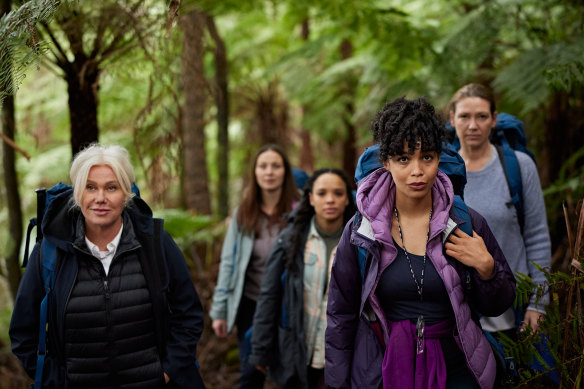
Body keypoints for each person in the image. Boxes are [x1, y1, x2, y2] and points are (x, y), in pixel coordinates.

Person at [325, 96, 516, 389]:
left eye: (426, 156)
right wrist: (337, 384)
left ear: (438, 158)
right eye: (404, 159)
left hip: (458, 369)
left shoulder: (465, 223)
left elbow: (497, 305)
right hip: (384, 369)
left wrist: (487, 269)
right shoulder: (361, 231)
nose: (417, 170)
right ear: (386, 162)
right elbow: (341, 315)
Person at [9, 144, 205, 388]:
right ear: (78, 194)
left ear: (126, 193)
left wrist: (166, 371)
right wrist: (57, 381)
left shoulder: (155, 243)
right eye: (90, 187)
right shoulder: (50, 252)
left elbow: (189, 315)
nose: (100, 198)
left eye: (111, 187)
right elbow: (22, 333)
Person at [448, 84, 552, 335]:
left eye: (482, 116)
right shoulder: (441, 173)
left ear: (494, 120)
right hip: (461, 316)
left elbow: (537, 236)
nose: (473, 125)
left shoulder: (519, 166)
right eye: (464, 116)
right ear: (452, 119)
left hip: (515, 310)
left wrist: (539, 305)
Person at [249, 169, 357, 389]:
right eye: (322, 193)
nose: (330, 200)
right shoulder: (291, 240)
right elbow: (269, 296)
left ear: (347, 198)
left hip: (342, 356)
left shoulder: (359, 243)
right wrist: (261, 351)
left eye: (338, 193)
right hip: (297, 351)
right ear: (310, 198)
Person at [209, 144, 300, 389]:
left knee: (292, 375)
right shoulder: (244, 213)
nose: (269, 172)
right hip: (250, 306)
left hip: (288, 306)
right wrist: (220, 310)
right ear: (255, 172)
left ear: (285, 172)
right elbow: (228, 263)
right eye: (263, 166)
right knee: (251, 375)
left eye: (275, 166)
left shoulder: (299, 210)